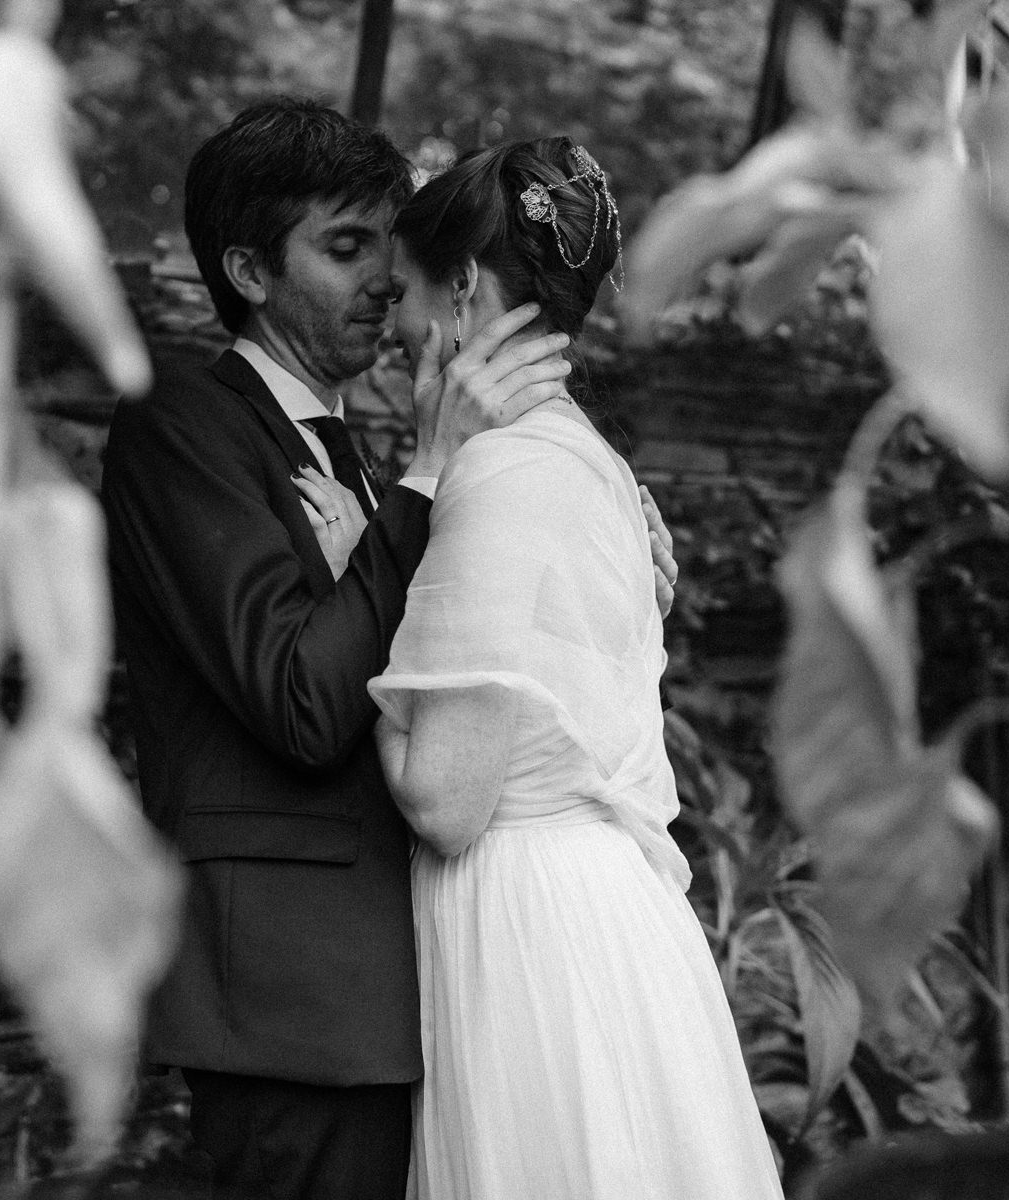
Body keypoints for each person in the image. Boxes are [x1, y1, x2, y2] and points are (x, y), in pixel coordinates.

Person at [100, 98, 585, 1200]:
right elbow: (303, 702)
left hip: (398, 988)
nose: (384, 277)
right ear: (250, 270)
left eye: (392, 245)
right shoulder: (181, 424)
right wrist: (420, 486)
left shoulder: (351, 451)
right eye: (346, 245)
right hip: (292, 996)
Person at [367, 137, 785, 1200]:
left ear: (462, 288)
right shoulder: (595, 465)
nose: (391, 329)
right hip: (608, 918)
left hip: (530, 937)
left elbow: (447, 798)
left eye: (406, 297)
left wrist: (367, 651)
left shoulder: (501, 472)